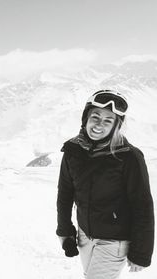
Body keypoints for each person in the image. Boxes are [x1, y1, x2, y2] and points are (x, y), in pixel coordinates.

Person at [56, 90, 154, 278]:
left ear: (116, 126)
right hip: (85, 236)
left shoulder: (128, 156)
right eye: (95, 117)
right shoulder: (73, 150)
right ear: (85, 118)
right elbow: (65, 193)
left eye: (108, 120)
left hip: (114, 241)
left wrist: (141, 252)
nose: (99, 124)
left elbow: (142, 206)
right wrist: (65, 231)